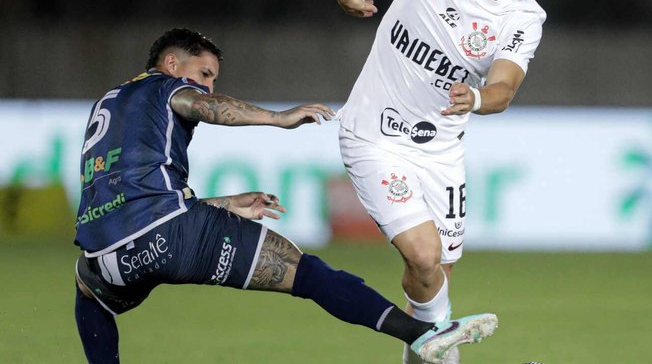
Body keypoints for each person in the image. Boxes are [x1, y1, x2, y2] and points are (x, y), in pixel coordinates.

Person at [73, 28, 497, 364]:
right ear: (171, 63)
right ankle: (425, 334)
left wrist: (220, 204)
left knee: (89, 291)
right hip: (177, 235)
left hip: (108, 253)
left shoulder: (109, 105)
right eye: (204, 74)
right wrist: (278, 117)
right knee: (310, 275)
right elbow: (201, 106)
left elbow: (135, 198)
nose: (207, 85)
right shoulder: (166, 87)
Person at [334, 0, 545, 363]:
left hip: (442, 154)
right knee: (424, 255)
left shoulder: (523, 15)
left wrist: (478, 97)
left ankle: (435, 340)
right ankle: (442, 344)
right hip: (374, 135)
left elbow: (504, 86)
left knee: (435, 281)